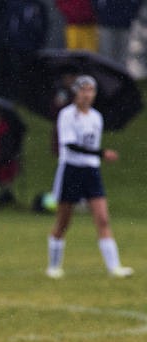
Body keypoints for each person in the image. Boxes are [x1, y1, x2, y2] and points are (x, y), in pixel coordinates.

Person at [46, 75, 133, 279]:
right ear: (75, 93)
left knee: (103, 219)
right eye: (83, 90)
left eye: (91, 91)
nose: (87, 95)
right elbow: (70, 145)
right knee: (63, 222)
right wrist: (102, 153)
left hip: (91, 171)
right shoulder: (67, 115)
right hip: (71, 169)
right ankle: (54, 265)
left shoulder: (96, 117)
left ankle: (114, 267)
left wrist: (97, 156)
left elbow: (91, 147)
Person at [0, 0, 49, 100]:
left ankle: (23, 101)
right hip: (5, 48)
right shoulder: (6, 4)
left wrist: (37, 44)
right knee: (4, 78)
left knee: (26, 78)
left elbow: (43, 26)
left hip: (28, 49)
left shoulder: (36, 5)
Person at [92, 0, 142, 66]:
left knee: (122, 56)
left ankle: (120, 75)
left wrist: (131, 13)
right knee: (106, 55)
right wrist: (101, 13)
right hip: (106, 22)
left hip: (125, 23)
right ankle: (106, 75)